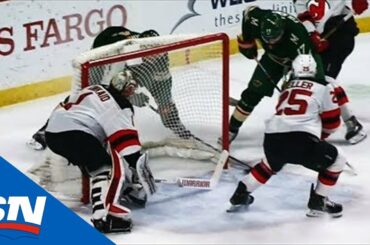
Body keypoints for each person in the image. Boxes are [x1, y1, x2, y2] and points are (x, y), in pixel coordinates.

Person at [28, 26, 191, 150]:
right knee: (89, 94)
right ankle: (46, 130)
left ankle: (175, 124)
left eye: (157, 55)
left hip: (126, 61)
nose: (154, 57)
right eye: (150, 55)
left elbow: (163, 87)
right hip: (101, 56)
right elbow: (112, 87)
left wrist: (169, 113)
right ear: (141, 50)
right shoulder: (126, 53)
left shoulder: (160, 53)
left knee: (163, 101)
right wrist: (134, 96)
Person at [228, 54, 346, 217]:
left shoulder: (287, 87)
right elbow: (332, 123)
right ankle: (319, 200)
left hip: (272, 137)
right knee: (337, 160)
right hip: (301, 140)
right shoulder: (324, 87)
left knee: (270, 164)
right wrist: (321, 135)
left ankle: (241, 193)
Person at [45, 70, 157, 233]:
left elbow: (68, 102)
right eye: (131, 87)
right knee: (104, 168)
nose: (133, 91)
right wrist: (143, 173)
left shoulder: (96, 87)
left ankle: (123, 188)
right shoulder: (120, 105)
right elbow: (128, 149)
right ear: (127, 89)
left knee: (100, 154)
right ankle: (103, 216)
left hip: (52, 133)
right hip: (75, 133)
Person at [226, 6, 326, 145]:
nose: (270, 43)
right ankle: (231, 130)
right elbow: (248, 13)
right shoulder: (255, 19)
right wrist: (247, 44)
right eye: (267, 39)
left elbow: (306, 71)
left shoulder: (298, 37)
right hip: (273, 58)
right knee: (253, 93)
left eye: (274, 38)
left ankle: (319, 131)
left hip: (300, 60)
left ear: (283, 31)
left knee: (311, 95)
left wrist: (293, 84)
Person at [294, 0, 367, 144]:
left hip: (342, 33)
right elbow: (303, 14)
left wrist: (356, 3)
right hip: (320, 39)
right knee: (305, 76)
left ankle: (352, 123)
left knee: (326, 79)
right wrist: (312, 35)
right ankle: (314, 117)